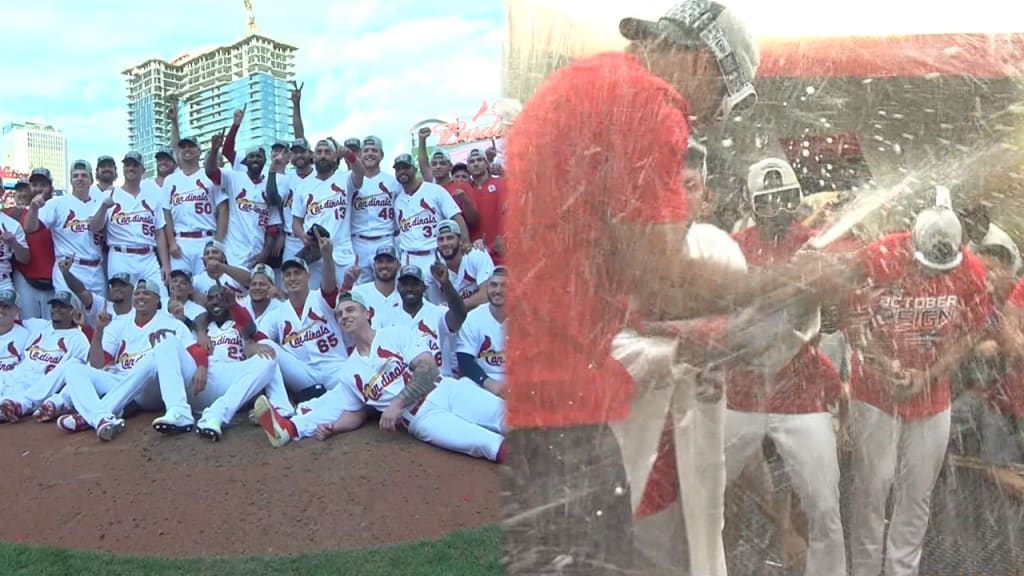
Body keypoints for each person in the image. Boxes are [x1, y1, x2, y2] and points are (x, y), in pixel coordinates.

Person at [503, 1, 762, 573]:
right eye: (724, 93)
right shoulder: (649, 100)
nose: (715, 115)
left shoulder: (587, 80)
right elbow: (664, 283)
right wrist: (791, 282)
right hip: (572, 404)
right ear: (699, 61)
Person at [251, 291, 505, 461]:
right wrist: (335, 427)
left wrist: (396, 403)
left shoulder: (396, 334)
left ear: (367, 313)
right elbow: (357, 412)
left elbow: (428, 370)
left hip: (446, 391)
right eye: (339, 315)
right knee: (485, 444)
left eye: (351, 310)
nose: (344, 316)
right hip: (423, 419)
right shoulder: (349, 371)